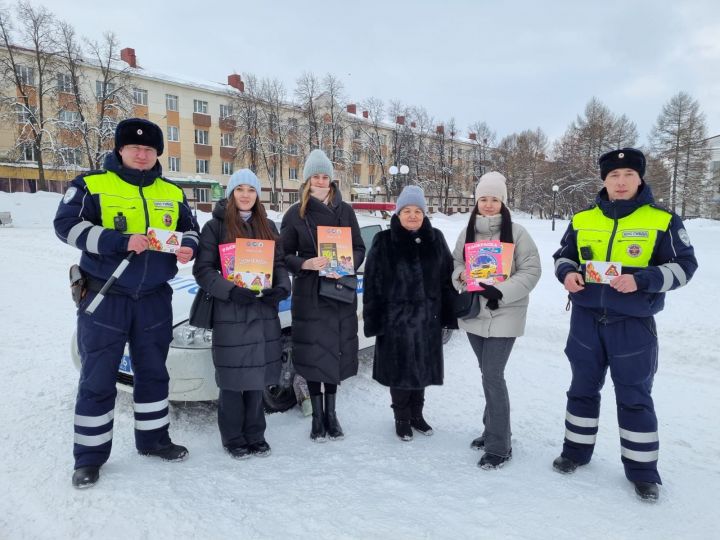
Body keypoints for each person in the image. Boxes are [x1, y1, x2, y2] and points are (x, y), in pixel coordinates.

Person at [54, 118, 200, 488]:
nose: (141, 154)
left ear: (157, 154)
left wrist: (190, 247)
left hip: (154, 299)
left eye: (149, 149)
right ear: (120, 149)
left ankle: (153, 440)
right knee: (97, 377)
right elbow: (65, 225)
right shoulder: (92, 185)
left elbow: (192, 229)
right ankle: (89, 458)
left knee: (153, 373)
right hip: (106, 297)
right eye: (134, 148)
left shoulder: (172, 191)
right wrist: (118, 241)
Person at [552, 148, 698, 501]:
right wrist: (568, 274)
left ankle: (643, 471)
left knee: (634, 396)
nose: (620, 182)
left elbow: (685, 266)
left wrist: (643, 280)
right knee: (582, 389)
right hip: (586, 320)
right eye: (613, 176)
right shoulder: (584, 218)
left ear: (640, 178)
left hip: (633, 325)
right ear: (603, 180)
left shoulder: (663, 220)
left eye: (628, 175)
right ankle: (575, 452)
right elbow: (564, 255)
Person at [193, 169, 290, 460]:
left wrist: (282, 288)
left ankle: (256, 435)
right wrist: (230, 290)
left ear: (257, 195)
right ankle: (233, 437)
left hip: (262, 311)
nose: (245, 195)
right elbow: (203, 270)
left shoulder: (269, 227)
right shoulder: (215, 227)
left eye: (251, 189)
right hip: (231, 312)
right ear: (231, 193)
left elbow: (280, 265)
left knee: (257, 377)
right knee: (234, 381)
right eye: (239, 189)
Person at [451, 172, 541, 469]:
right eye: (483, 199)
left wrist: (499, 292)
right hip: (475, 313)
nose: (488, 205)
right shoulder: (467, 233)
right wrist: (461, 275)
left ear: (503, 202)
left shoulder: (517, 233)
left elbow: (531, 271)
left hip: (505, 313)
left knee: (492, 375)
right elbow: (457, 263)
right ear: (476, 202)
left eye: (494, 199)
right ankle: (492, 431)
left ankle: (500, 445)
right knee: (487, 374)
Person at [280, 149, 365, 442]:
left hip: (339, 293)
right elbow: (283, 255)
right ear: (306, 180)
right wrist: (305, 263)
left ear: (331, 179)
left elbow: (359, 247)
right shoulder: (295, 214)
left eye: (324, 175)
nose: (320, 180)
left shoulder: (346, 211)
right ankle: (317, 417)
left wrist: (346, 263)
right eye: (315, 175)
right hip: (310, 293)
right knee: (314, 354)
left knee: (335, 354)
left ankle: (332, 414)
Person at [363, 185, 457, 441]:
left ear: (424, 213)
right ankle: (401, 418)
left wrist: (448, 315)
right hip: (396, 322)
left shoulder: (436, 238)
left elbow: (447, 278)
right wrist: (375, 320)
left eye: (418, 211)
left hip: (428, 321)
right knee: (400, 372)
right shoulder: (383, 241)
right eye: (407, 210)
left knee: (422, 370)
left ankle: (417, 415)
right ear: (398, 213)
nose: (413, 215)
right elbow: (372, 282)